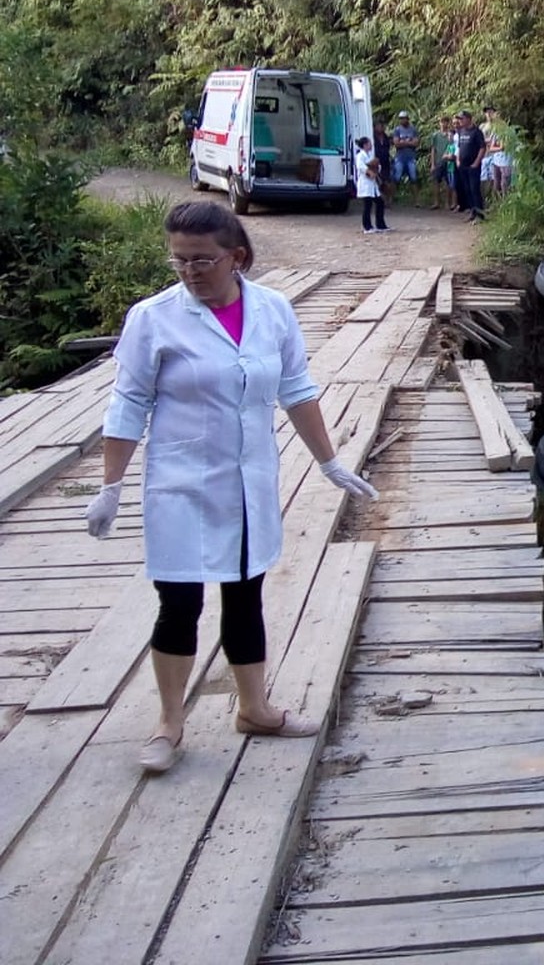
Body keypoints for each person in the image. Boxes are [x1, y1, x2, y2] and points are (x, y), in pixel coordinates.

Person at [84, 201, 379, 774]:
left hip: (249, 478)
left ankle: (255, 708)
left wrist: (328, 463)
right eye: (179, 261)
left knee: (244, 596)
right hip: (180, 481)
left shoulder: (272, 311)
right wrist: (110, 484)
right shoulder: (154, 317)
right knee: (181, 602)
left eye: (202, 260)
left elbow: (296, 389)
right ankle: (169, 723)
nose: (190, 271)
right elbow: (128, 402)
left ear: (236, 257)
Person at [455, 108, 486, 223]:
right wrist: (458, 160)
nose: (460, 121)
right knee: (467, 189)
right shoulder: (461, 131)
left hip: (473, 165)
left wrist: (476, 162)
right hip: (463, 165)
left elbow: (482, 148)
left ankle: (480, 214)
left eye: (462, 119)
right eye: (459, 119)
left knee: (474, 189)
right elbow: (459, 147)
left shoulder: (476, 132)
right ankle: (472, 212)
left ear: (468, 119)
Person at [355, 136, 388, 233]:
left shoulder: (369, 155)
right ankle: (367, 227)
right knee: (367, 205)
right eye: (369, 143)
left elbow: (377, 166)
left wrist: (377, 169)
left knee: (380, 203)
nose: (371, 145)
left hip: (372, 184)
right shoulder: (360, 155)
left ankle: (380, 225)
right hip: (365, 183)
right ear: (365, 145)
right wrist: (369, 172)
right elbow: (360, 167)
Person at [481, 104, 511, 197]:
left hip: (497, 155)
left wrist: (490, 142)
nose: (489, 114)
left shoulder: (501, 125)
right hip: (486, 154)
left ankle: (499, 200)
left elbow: (504, 139)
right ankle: (488, 199)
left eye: (491, 112)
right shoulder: (482, 126)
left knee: (497, 180)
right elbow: (480, 140)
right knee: (485, 180)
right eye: (487, 112)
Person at [431, 114, 456, 210]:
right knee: (436, 182)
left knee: (448, 182)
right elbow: (433, 149)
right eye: (442, 122)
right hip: (438, 161)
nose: (443, 124)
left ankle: (447, 203)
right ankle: (436, 202)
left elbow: (452, 146)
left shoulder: (450, 135)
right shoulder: (435, 135)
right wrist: (433, 163)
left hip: (449, 161)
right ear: (439, 123)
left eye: (445, 122)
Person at [392, 111, 419, 185]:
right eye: (401, 119)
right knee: (396, 177)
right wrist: (409, 142)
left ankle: (416, 196)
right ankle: (393, 195)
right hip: (400, 157)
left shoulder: (413, 129)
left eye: (404, 118)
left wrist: (403, 142)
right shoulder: (397, 130)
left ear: (407, 119)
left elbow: (416, 143)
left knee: (414, 178)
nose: (402, 120)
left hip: (411, 157)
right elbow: (396, 144)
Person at [373, 119, 392, 188]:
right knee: (379, 181)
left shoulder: (386, 137)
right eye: (378, 125)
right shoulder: (372, 137)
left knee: (387, 180)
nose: (380, 127)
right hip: (377, 161)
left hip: (386, 161)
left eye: (381, 125)